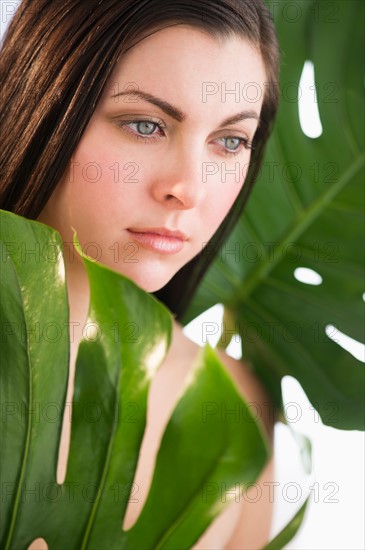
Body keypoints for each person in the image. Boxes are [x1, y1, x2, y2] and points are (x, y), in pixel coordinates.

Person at [0, 0, 280, 548]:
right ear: (43, 105)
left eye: (230, 141)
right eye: (146, 125)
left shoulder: (229, 404)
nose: (188, 188)